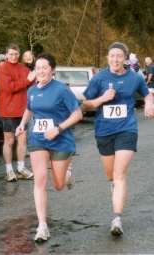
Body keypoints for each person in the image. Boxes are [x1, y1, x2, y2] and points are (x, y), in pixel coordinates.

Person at [82, 42, 154, 235]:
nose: (115, 59)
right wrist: (102, 99)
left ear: (125, 59)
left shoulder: (134, 77)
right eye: (112, 56)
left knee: (120, 173)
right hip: (104, 131)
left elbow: (147, 95)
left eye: (119, 56)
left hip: (127, 129)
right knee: (111, 175)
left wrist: (149, 103)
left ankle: (117, 219)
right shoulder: (99, 78)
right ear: (108, 58)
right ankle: (116, 185)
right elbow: (85, 104)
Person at [16, 53, 83, 242]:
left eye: (45, 68)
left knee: (58, 185)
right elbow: (30, 108)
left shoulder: (62, 90)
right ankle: (42, 226)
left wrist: (58, 128)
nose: (41, 71)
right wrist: (22, 124)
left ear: (53, 70)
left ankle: (68, 174)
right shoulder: (31, 90)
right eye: (37, 68)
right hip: (38, 139)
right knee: (40, 180)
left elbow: (77, 114)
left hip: (61, 140)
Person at [0, 43, 36, 182]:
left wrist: (34, 79)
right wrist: (27, 80)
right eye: (11, 54)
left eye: (16, 54)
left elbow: (31, 84)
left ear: (19, 54)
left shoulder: (23, 68)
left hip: (22, 110)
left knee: (22, 139)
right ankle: (9, 170)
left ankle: (20, 168)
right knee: (9, 140)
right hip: (7, 111)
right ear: (6, 54)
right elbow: (10, 87)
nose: (14, 56)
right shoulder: (3, 69)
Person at [22, 51, 36, 155]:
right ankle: (28, 147)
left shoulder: (37, 67)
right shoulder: (22, 68)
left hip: (38, 97)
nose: (28, 57)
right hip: (27, 99)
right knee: (29, 124)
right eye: (26, 56)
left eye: (29, 55)